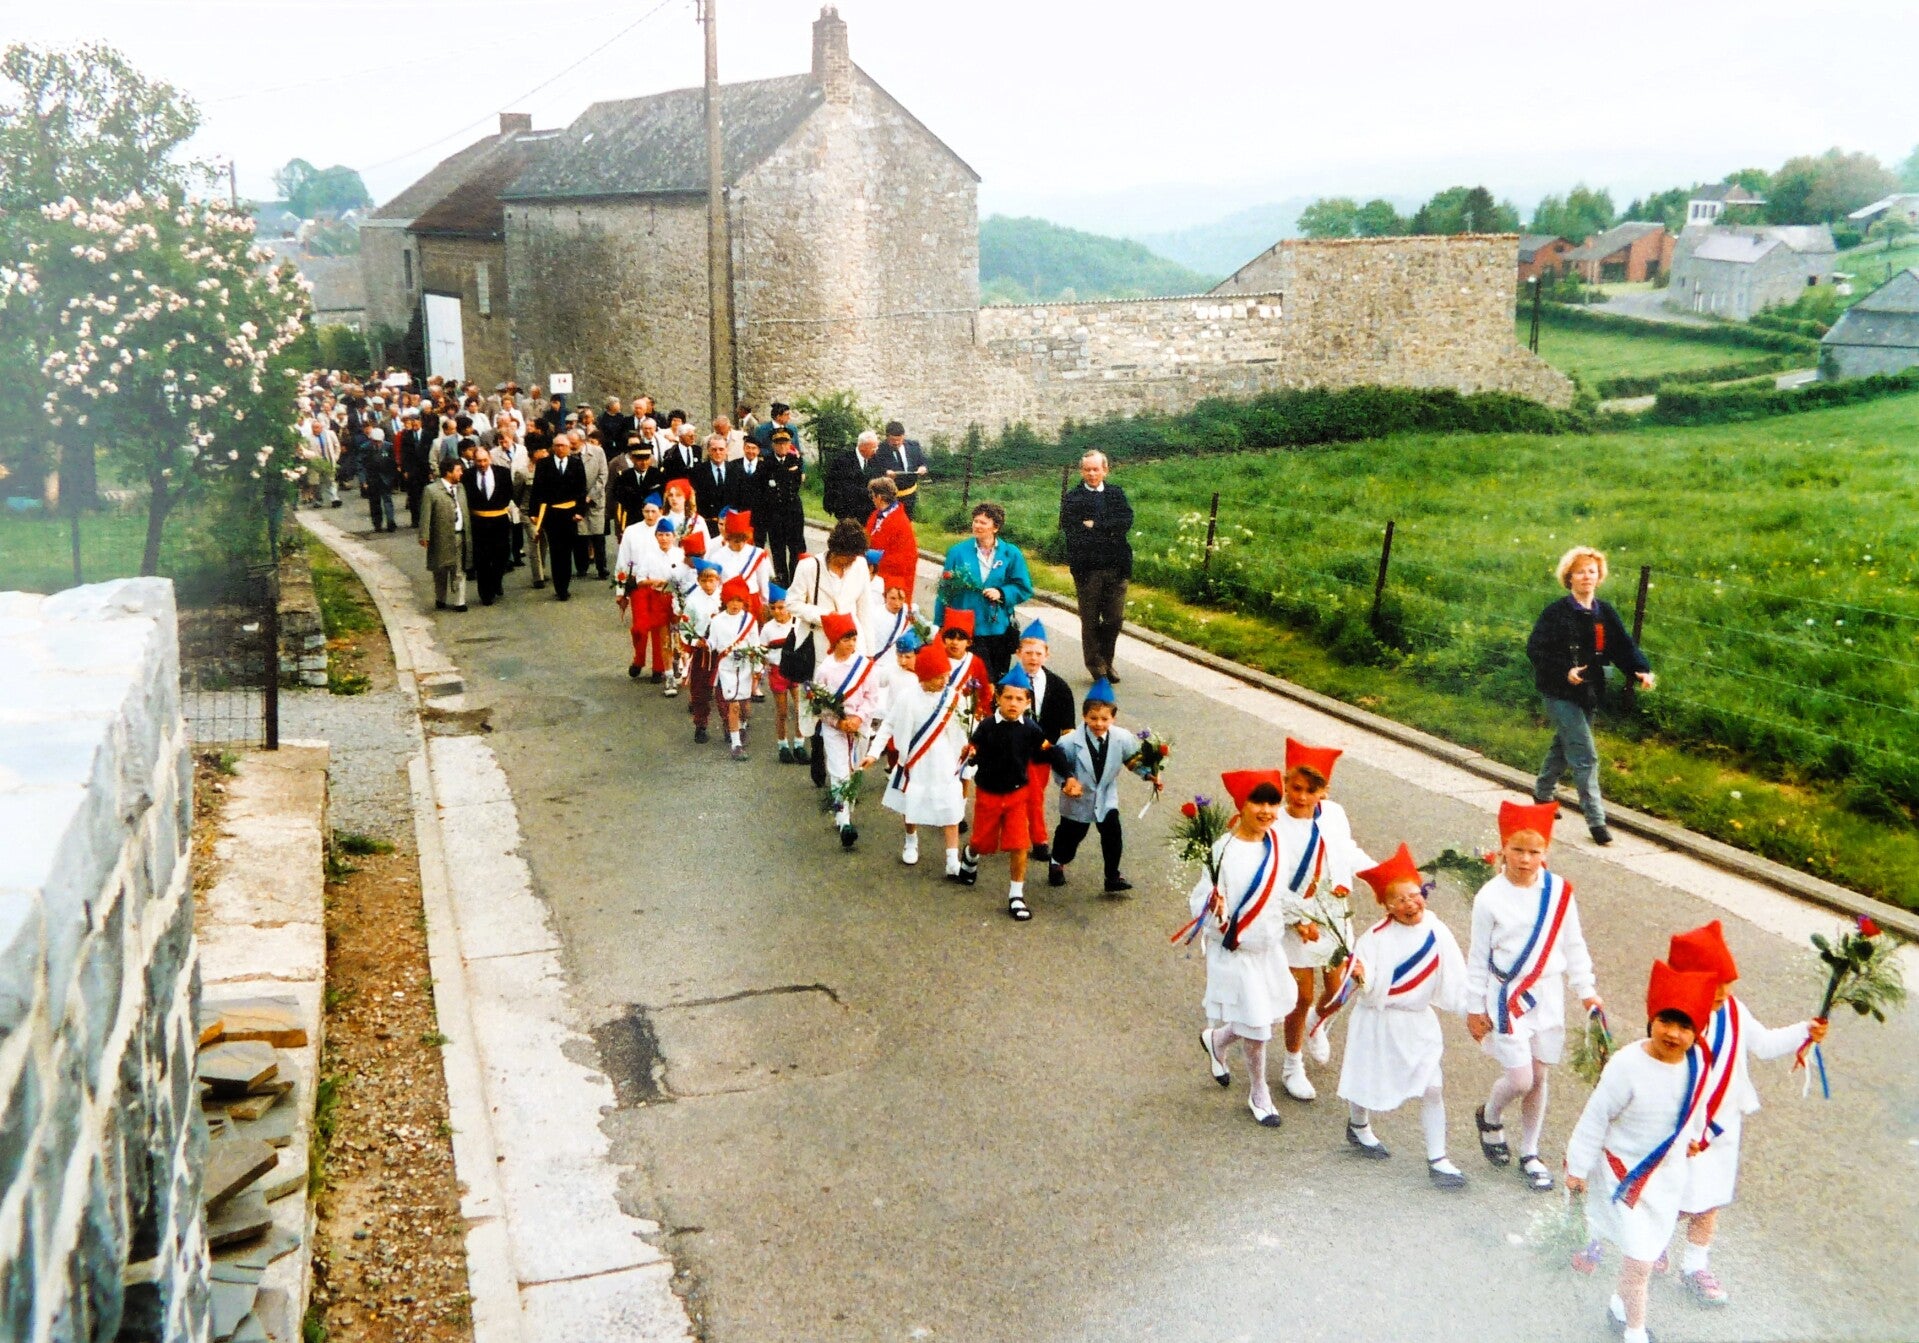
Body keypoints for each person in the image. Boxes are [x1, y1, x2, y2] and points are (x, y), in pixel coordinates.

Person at [1647, 920, 1826, 1305]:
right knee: (1675, 1192)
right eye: (1715, 985)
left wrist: (1805, 1031)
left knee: (1709, 1197)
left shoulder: (1734, 1011)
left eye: (1728, 983)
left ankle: (1695, 1266)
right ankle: (1655, 1243)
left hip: (1723, 1123)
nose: (1724, 992)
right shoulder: (1675, 1020)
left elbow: (1764, 1044)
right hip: (1682, 1124)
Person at [1565, 962, 1719, 1343]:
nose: (1673, 1033)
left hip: (1666, 1180)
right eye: (1666, 1021)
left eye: (1685, 1027)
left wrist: (1696, 1137)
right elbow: (1595, 1117)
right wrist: (1577, 1168)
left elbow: (1698, 1107)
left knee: (1645, 1254)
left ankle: (1620, 1307)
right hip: (1623, 1177)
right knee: (1639, 1261)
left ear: (1697, 1032)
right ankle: (1635, 1330)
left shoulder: (1698, 1066)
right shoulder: (1626, 1065)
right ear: (1652, 1018)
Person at [1465, 800, 1601, 1192]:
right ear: (1503, 848)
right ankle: (1490, 1115)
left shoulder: (1559, 892)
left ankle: (1530, 1151)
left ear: (1546, 851)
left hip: (1547, 992)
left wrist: (1586, 991)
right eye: (1518, 850)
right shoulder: (1489, 897)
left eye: (1534, 851)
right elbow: (1478, 956)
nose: (1525, 859)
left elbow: (1573, 943)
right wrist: (1474, 1007)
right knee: (1521, 1078)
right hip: (1506, 994)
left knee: (1540, 1074)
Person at [1336, 843, 1470, 1188]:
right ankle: (1358, 1125)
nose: (1410, 904)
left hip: (1418, 1023)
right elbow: (1366, 986)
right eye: (1400, 900)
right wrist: (1360, 976)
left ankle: (1438, 1159)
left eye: (1414, 895)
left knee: (1433, 1087)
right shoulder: (1373, 938)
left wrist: (1472, 1012)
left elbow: (1456, 977)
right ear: (1386, 906)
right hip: (1378, 1021)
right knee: (1365, 1076)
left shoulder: (1437, 931)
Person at [1191, 770, 1299, 1128]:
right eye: (1258, 802)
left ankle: (1217, 1040)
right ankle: (1258, 1092)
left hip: (1267, 946)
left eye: (1273, 803)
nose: (1266, 810)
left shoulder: (1278, 843)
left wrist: (1301, 920)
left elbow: (1281, 893)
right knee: (1257, 1025)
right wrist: (1212, 905)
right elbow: (1202, 896)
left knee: (1261, 1014)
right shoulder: (1223, 849)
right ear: (1242, 805)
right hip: (1236, 948)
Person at [1527, 545, 1654, 845]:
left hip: (1590, 690)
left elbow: (1623, 646)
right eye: (1580, 572)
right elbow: (1536, 649)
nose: (1586, 576)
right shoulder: (1556, 613)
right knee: (1585, 755)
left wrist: (1640, 670)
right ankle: (1596, 822)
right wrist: (1564, 670)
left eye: (1592, 571)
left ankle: (1542, 794)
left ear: (1599, 577)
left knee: (1565, 744)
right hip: (1559, 691)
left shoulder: (1603, 612)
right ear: (1569, 578)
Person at [1274, 739, 1371, 1104]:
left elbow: (1347, 852)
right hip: (1295, 920)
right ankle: (1292, 1064)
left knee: (1338, 988)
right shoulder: (1275, 823)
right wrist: (1297, 919)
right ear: (1285, 784)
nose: (1301, 797)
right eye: (1296, 788)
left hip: (1332, 914)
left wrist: (1382, 875)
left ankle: (1317, 1024)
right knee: (1300, 997)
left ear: (1324, 791)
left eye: (1311, 790)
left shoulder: (1334, 814)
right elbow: (1271, 879)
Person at [953, 666, 1073, 921]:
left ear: (1028, 702)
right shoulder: (986, 726)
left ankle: (1016, 895)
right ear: (997, 698)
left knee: (1019, 844)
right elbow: (974, 752)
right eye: (1008, 697)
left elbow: (1050, 751)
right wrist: (971, 753)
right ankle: (970, 854)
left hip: (1017, 794)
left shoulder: (1031, 729)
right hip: (989, 794)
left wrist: (1069, 776)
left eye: (1020, 699)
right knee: (983, 843)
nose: (1013, 703)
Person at [863, 639, 968, 876]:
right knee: (911, 801)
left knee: (950, 806)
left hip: (943, 760)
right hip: (915, 759)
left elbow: (965, 728)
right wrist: (873, 753)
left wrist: (969, 746)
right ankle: (911, 841)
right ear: (924, 677)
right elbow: (888, 725)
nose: (944, 681)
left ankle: (952, 858)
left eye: (946, 675)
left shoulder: (954, 697)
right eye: (938, 677)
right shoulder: (908, 697)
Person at [1047, 677, 1158, 892]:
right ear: (1084, 717)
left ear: (1113, 718)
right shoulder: (1069, 742)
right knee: (1071, 836)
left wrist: (1148, 775)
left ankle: (1112, 876)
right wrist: (1067, 783)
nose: (1099, 724)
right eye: (1093, 718)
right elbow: (1060, 767)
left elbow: (1132, 761)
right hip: (1078, 799)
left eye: (1104, 719)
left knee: (1112, 835)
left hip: (1106, 796)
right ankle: (1057, 861)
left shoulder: (1122, 738)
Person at [933, 503, 1033, 682]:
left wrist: (1002, 593)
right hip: (965, 630)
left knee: (994, 680)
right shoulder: (957, 552)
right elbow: (944, 591)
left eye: (983, 522)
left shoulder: (1011, 553)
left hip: (997, 629)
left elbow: (1023, 587)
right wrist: (939, 625)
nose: (977, 525)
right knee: (970, 680)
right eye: (975, 521)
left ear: (995, 527)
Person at [1058, 450, 1134, 683]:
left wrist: (1096, 525)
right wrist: (1107, 530)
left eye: (1096, 469)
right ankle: (1096, 665)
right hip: (1087, 569)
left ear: (1105, 470)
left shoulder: (1116, 494)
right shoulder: (1073, 498)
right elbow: (1072, 530)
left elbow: (1125, 521)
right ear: (1082, 471)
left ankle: (1107, 660)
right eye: (1087, 469)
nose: (1092, 474)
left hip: (1117, 566)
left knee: (1114, 619)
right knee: (1090, 619)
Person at [809, 613, 883, 848]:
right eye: (846, 639)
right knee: (839, 771)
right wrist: (837, 722)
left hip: (860, 725)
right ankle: (844, 822)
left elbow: (872, 697)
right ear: (835, 641)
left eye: (853, 638)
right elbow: (819, 705)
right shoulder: (825, 669)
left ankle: (846, 808)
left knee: (855, 769)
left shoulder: (865, 666)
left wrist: (858, 717)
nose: (851, 644)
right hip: (835, 728)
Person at [1014, 620, 1075, 865]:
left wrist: (1067, 760)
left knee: (1033, 795)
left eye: (1038, 653)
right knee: (1020, 794)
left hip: (1043, 752)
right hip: (1012, 750)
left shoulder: (1059, 687)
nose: (1033, 658)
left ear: (1047, 655)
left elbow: (1068, 728)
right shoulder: (1007, 683)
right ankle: (1029, 837)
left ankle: (1033, 837)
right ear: (1018, 653)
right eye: (1028, 652)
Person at [786, 520, 873, 668]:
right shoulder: (808, 567)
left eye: (855, 556)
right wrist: (826, 616)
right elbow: (792, 604)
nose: (852, 561)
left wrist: (869, 652)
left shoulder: (860, 565)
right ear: (836, 550)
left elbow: (865, 610)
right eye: (848, 556)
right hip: (818, 646)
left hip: (853, 646)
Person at [616, 518, 682, 682]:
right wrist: (653, 582)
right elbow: (640, 579)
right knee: (657, 631)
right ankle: (651, 665)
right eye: (660, 535)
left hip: (675, 598)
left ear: (674, 536)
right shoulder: (649, 556)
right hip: (656, 596)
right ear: (656, 536)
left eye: (667, 535)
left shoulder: (680, 555)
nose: (664, 538)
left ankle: (668, 667)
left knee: (676, 634)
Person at [708, 577, 761, 761]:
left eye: (739, 600)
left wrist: (757, 668)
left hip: (745, 667)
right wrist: (700, 643)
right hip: (727, 667)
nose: (735, 604)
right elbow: (713, 642)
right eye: (731, 600)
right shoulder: (717, 620)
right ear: (725, 600)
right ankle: (736, 744)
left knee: (744, 706)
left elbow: (755, 645)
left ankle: (743, 725)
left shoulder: (750, 620)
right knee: (734, 704)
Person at [531, 434, 587, 601]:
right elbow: (537, 489)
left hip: (570, 514)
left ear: (569, 447)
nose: (560, 448)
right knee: (556, 551)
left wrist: (580, 511)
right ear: (553, 447)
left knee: (567, 550)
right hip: (552, 513)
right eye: (557, 445)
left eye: (563, 445)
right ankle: (559, 588)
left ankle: (565, 584)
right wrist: (534, 513)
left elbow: (581, 489)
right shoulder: (544, 464)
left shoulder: (576, 463)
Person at [464, 444, 514, 606]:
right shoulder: (468, 475)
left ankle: (497, 580)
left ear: (490, 459)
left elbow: (509, 493)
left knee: (501, 556)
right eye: (478, 461)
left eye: (485, 460)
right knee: (482, 558)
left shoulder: (503, 473)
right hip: (478, 522)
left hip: (499, 520)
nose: (482, 464)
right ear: (474, 461)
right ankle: (485, 593)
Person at [760, 587, 805, 763]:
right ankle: (783, 745)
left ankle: (799, 744)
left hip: (797, 670)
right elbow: (762, 652)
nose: (777, 612)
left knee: (800, 709)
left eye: (781, 607)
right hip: (778, 672)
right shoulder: (767, 629)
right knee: (782, 711)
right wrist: (762, 668)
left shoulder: (798, 623)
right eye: (773, 608)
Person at [682, 561, 725, 741]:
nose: (708, 585)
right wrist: (694, 641)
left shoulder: (724, 598)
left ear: (718, 581)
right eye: (704, 581)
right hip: (703, 651)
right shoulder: (692, 601)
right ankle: (700, 725)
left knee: (724, 689)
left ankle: (730, 726)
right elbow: (684, 627)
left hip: (722, 650)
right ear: (699, 581)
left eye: (712, 580)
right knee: (700, 689)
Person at [420, 455, 468, 612]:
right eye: (458, 470)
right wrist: (424, 535)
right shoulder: (431, 490)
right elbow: (425, 514)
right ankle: (440, 598)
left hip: (459, 534)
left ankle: (460, 601)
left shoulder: (461, 488)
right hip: (440, 535)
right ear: (448, 472)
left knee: (459, 568)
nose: (461, 473)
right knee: (440, 568)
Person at [762, 428, 807, 584]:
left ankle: (795, 580)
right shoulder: (766, 462)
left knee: (796, 548)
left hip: (793, 512)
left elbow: (796, 483)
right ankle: (782, 581)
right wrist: (786, 473)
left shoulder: (796, 460)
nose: (782, 446)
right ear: (773, 445)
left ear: (789, 445)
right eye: (778, 443)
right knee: (778, 549)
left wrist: (783, 474)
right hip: (775, 512)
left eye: (785, 443)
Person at [864, 477, 918, 598]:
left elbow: (907, 558)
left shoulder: (900, 521)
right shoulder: (875, 515)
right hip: (874, 577)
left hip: (891, 583)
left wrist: (874, 556)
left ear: (879, 497)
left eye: (872, 495)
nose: (872, 499)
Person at [876, 420, 929, 519]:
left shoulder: (914, 446)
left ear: (903, 436)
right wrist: (885, 473)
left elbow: (923, 461)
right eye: (893, 440)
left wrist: (923, 467)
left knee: (907, 522)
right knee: (891, 523)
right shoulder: (879, 450)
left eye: (899, 440)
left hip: (910, 495)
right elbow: (874, 469)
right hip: (889, 497)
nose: (896, 443)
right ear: (887, 437)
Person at [576, 429, 610, 581]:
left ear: (582, 441)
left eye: (574, 443)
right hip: (577, 500)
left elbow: (603, 475)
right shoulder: (569, 453)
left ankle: (601, 567)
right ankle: (581, 566)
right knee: (580, 535)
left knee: (598, 535)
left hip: (595, 499)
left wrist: (591, 495)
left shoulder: (598, 452)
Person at [823, 433, 876, 523]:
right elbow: (839, 487)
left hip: (867, 512)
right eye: (873, 448)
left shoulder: (874, 461)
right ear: (863, 447)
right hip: (847, 511)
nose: (875, 451)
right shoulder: (842, 461)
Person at [361, 426, 399, 532]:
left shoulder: (389, 447)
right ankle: (377, 524)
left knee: (387, 500)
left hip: (386, 478)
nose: (377, 444)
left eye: (379, 442)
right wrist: (363, 480)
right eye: (375, 442)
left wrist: (392, 478)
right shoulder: (365, 448)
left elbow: (393, 464)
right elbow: (361, 465)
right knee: (374, 502)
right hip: (372, 479)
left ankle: (391, 522)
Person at [399, 407, 432, 528]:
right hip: (412, 470)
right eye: (413, 424)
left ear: (421, 423)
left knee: (425, 496)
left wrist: (430, 470)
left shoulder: (427, 435)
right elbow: (404, 454)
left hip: (424, 470)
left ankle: (425, 519)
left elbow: (430, 453)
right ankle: (415, 519)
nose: (415, 426)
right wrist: (405, 470)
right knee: (413, 496)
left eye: (417, 424)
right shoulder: (407, 435)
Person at [693, 433, 733, 531]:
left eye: (721, 449)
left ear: (727, 450)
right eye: (714, 449)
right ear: (708, 450)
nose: (718, 452)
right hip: (707, 524)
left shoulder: (735, 470)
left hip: (730, 523)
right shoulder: (697, 472)